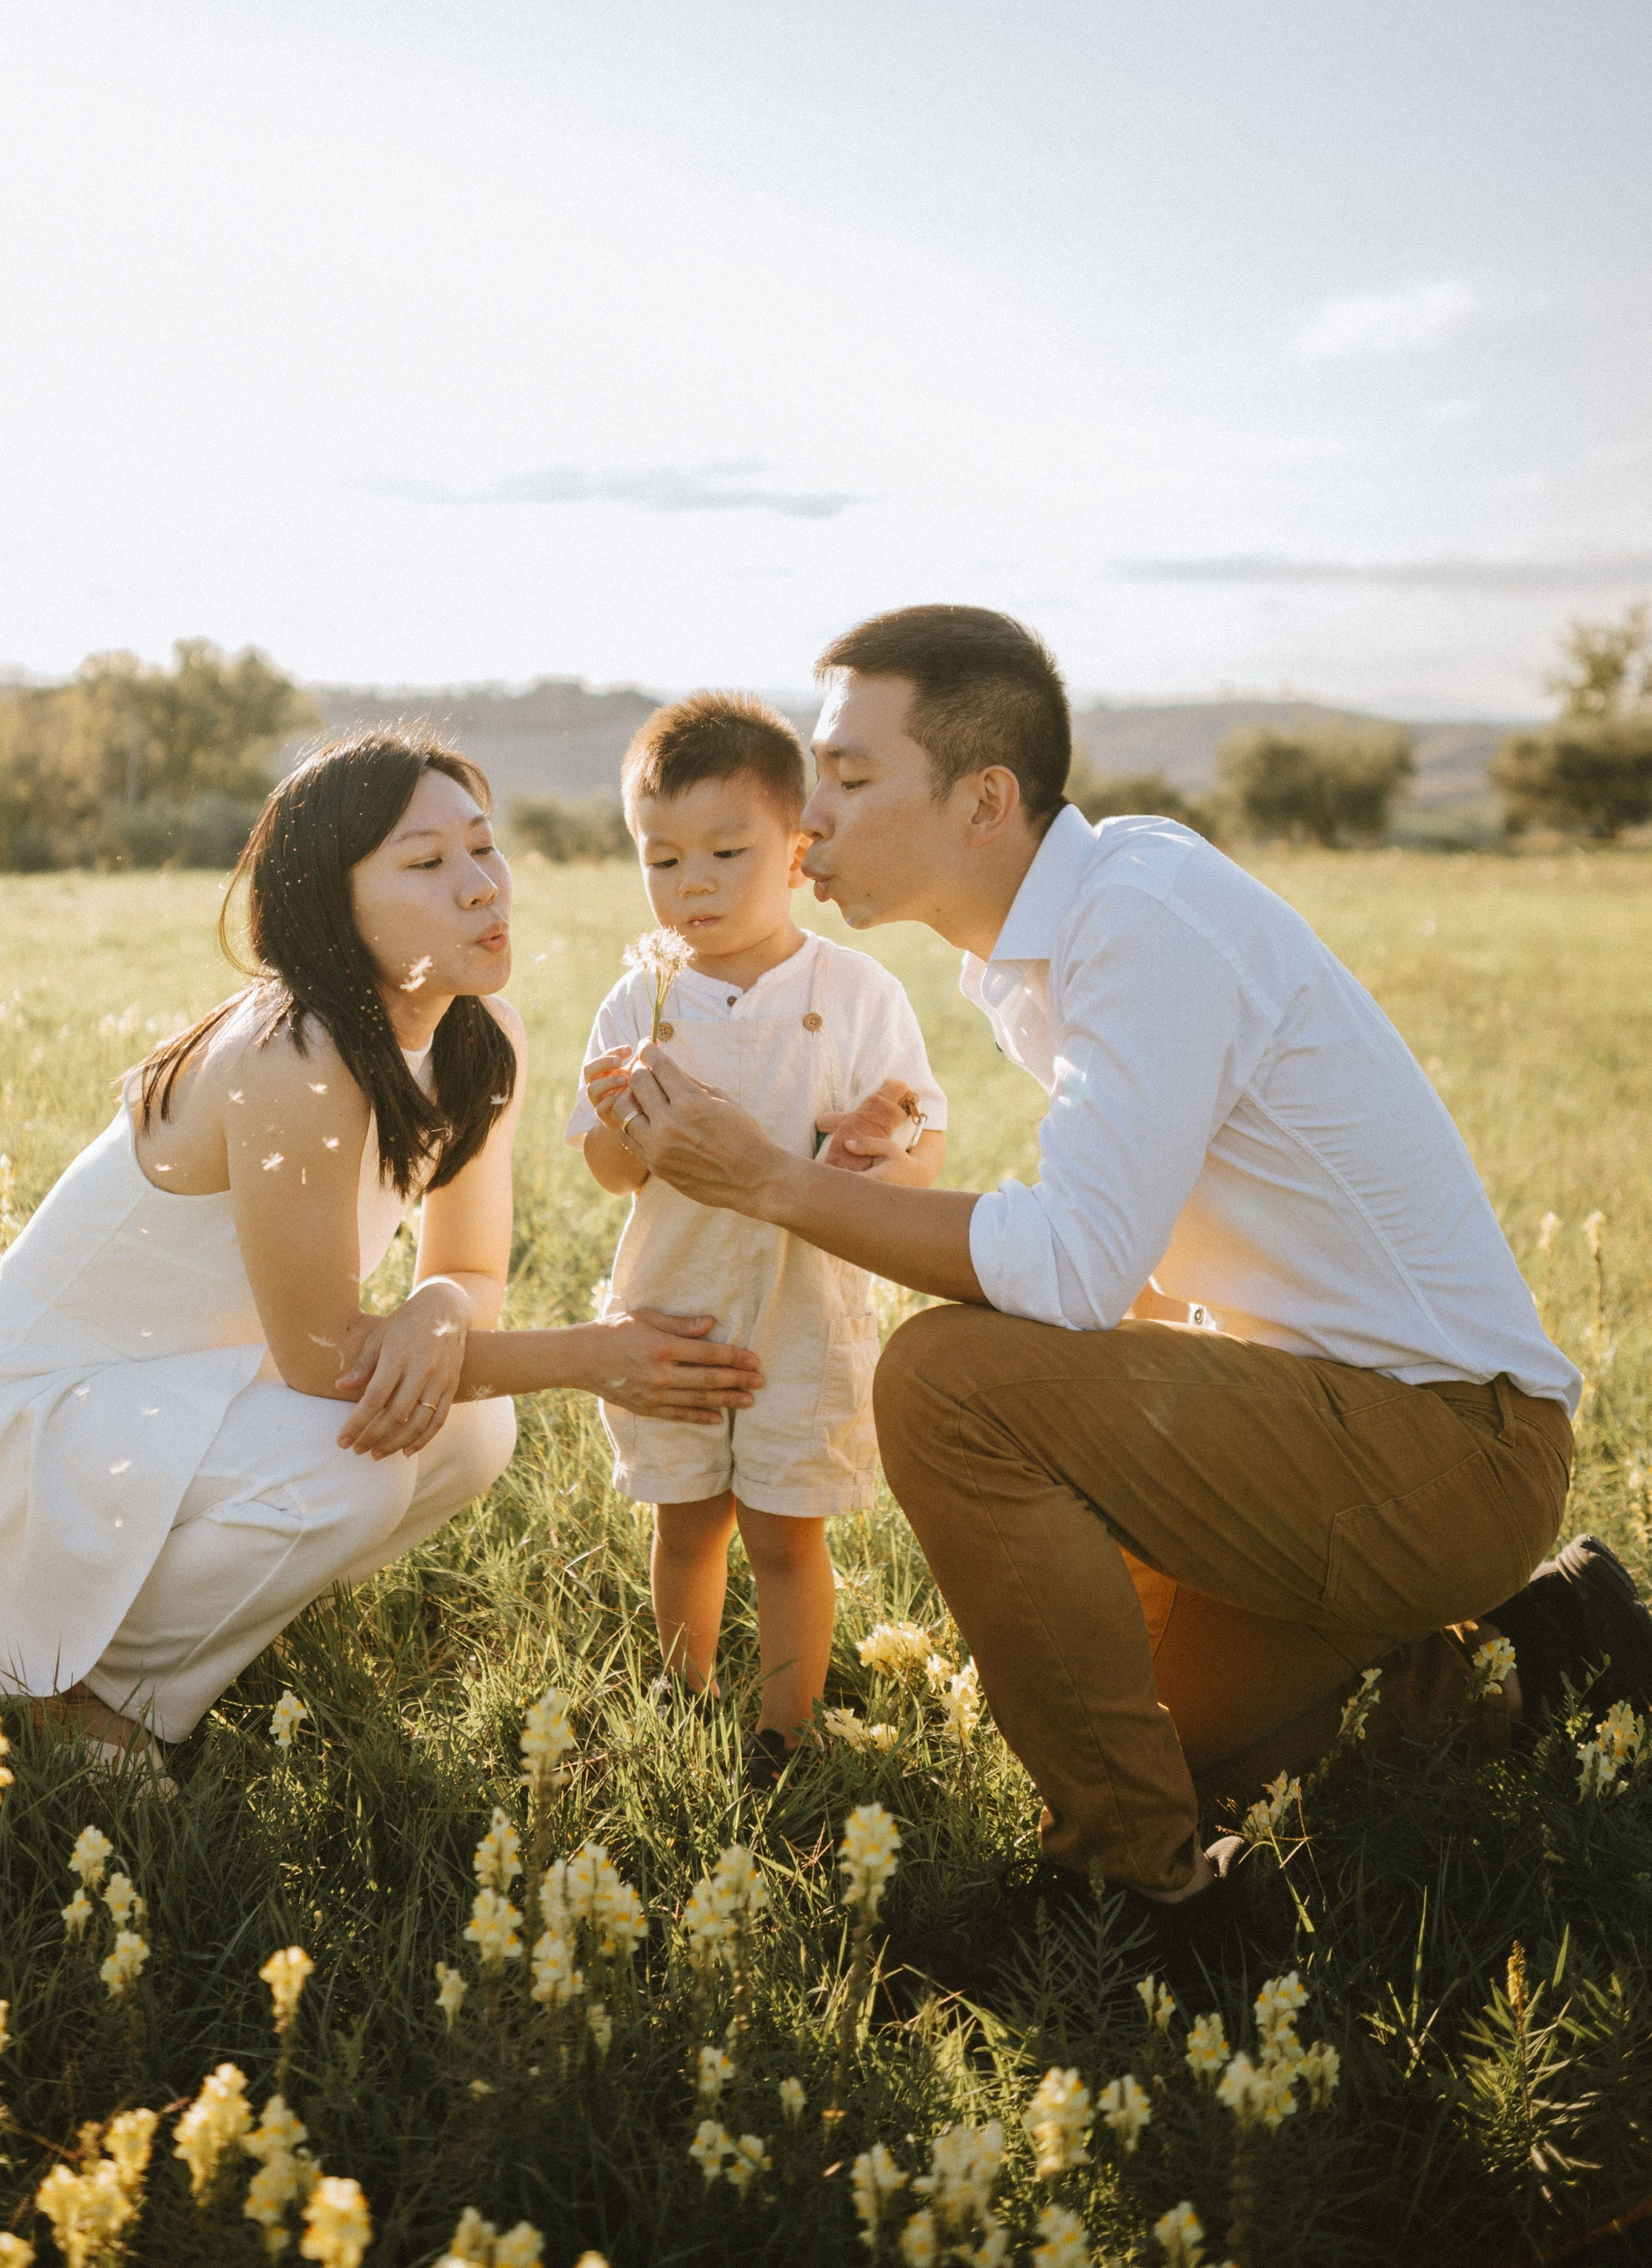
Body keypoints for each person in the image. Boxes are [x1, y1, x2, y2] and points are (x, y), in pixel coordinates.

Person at [605, 605, 1652, 1967]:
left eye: (850, 778)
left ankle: (1142, 1899)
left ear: (986, 801)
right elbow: (1123, 1271)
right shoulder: (1045, 944)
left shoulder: (1141, 922)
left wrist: (772, 1181)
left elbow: (1073, 1267)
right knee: (1176, 1732)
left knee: (946, 1380)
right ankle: (1533, 1641)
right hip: (1336, 1422)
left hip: (1454, 1443)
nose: (810, 819)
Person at [0, 730, 763, 1783]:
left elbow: (472, 1270)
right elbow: (324, 1360)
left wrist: (437, 1306)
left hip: (186, 1394)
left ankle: (167, 1633)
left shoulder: (484, 1036)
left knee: (473, 1429)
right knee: (351, 1461)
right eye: (427, 863)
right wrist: (593, 1356)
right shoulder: (296, 1054)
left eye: (483, 846)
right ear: (331, 902)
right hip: (43, 1425)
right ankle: (73, 1697)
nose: (482, 886)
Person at [572, 693, 947, 1777]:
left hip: (805, 1312)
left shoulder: (856, 990)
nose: (692, 882)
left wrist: (882, 1146)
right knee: (687, 1521)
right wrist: (623, 1122)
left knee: (787, 1532)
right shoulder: (640, 1002)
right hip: (673, 1303)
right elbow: (608, 1173)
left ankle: (788, 1729)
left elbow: (920, 1145)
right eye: (662, 859)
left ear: (797, 850)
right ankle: (680, 1692)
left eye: (727, 852)